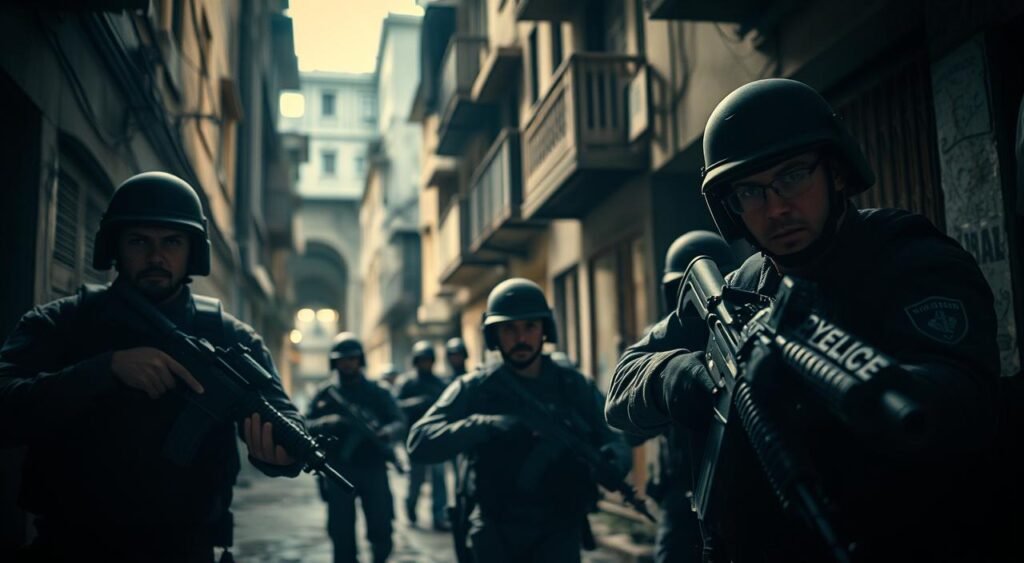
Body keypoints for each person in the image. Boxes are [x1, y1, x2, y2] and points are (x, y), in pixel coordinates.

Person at [604, 79, 1001, 562]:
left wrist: (828, 388)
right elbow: (624, 382)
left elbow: (958, 399)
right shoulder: (736, 288)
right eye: (751, 191)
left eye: (793, 176)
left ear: (835, 172)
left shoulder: (910, 260)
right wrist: (677, 377)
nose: (776, 208)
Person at [0, 172, 304, 562]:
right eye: (139, 241)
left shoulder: (230, 338)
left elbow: (284, 419)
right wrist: (104, 369)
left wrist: (280, 456)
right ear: (115, 246)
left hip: (184, 548)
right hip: (70, 542)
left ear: (193, 250)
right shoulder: (63, 323)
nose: (156, 257)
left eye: (172, 242)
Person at [407, 278, 632, 563]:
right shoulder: (476, 387)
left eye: (530, 327)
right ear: (494, 335)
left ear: (544, 331)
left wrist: (616, 458)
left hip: (558, 527)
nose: (521, 338)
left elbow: (613, 435)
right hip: (496, 529)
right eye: (509, 329)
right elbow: (419, 440)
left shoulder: (572, 385)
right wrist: (483, 426)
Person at [307, 332, 405, 563]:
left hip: (373, 467)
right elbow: (303, 424)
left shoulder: (377, 392)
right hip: (338, 469)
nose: (347, 364)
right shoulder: (325, 394)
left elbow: (399, 419)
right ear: (334, 362)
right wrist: (328, 422)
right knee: (341, 531)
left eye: (352, 359)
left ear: (360, 360)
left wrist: (387, 431)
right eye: (342, 359)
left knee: (381, 526)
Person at [395, 340, 450, 530]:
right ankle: (410, 507)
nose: (425, 364)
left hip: (436, 437)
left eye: (428, 360)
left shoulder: (439, 383)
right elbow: (396, 407)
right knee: (416, 479)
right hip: (415, 438)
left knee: (439, 478)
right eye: (422, 360)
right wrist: (417, 403)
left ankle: (438, 516)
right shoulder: (407, 383)